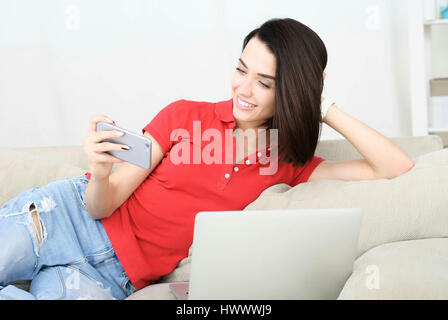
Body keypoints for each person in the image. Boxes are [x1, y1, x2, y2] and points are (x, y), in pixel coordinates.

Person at [0, 18, 414, 300]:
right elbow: (100, 205)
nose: (244, 89)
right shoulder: (183, 116)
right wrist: (102, 173)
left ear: (292, 90)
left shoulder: (291, 164)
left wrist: (323, 103)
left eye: (265, 82)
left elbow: (395, 167)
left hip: (108, 278)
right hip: (61, 217)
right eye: (241, 69)